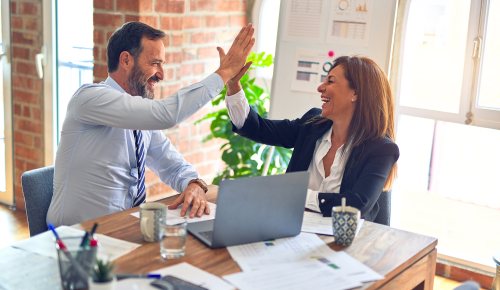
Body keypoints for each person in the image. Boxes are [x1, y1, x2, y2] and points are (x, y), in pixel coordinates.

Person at [47, 21, 254, 226]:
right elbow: (166, 115)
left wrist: (194, 183)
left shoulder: (139, 118)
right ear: (126, 60)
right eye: (155, 63)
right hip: (75, 238)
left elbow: (171, 164)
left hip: (123, 229)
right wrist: (224, 73)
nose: (161, 75)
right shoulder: (89, 98)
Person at [225, 55, 399, 223]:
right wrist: (233, 85)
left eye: (330, 81)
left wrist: (296, 195)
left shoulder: (381, 149)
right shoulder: (312, 124)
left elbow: (356, 205)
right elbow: (257, 128)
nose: (320, 87)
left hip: (345, 244)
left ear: (356, 93)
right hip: (292, 230)